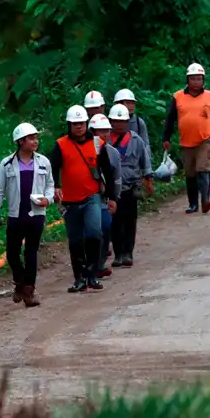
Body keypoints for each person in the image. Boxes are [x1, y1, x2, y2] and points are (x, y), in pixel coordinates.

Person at [48, 105, 118, 293]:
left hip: (91, 197)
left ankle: (93, 275)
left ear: (86, 123)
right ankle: (79, 278)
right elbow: (53, 167)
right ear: (69, 125)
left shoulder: (97, 144)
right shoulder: (61, 145)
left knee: (94, 233)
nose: (78, 126)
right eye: (74, 124)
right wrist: (56, 186)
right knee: (75, 240)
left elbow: (107, 171)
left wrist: (112, 197)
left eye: (81, 123)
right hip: (70, 201)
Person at [0, 123, 55, 308]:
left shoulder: (43, 162)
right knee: (12, 253)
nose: (35, 141)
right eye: (31, 138)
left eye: (36, 138)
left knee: (31, 252)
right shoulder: (7, 164)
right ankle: (20, 282)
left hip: (36, 214)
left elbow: (50, 184)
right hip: (16, 215)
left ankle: (29, 291)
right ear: (20, 141)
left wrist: (48, 199)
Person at [162, 63, 210, 213]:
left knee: (203, 169)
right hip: (186, 142)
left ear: (203, 80)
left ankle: (205, 201)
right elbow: (170, 119)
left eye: (199, 79)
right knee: (190, 174)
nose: (196, 82)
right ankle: (193, 204)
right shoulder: (178, 97)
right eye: (193, 79)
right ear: (187, 80)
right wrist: (166, 138)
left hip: (204, 140)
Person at [106, 104, 153, 268]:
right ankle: (118, 253)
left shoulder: (135, 140)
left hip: (131, 187)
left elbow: (144, 160)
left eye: (123, 121)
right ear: (110, 122)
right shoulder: (105, 141)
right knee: (115, 222)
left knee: (130, 221)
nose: (119, 124)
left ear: (128, 122)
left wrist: (148, 179)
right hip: (112, 189)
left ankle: (128, 253)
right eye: (116, 121)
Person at [87, 113, 121, 278]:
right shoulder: (85, 151)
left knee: (106, 227)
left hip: (104, 198)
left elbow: (116, 177)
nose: (105, 134)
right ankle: (90, 265)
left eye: (107, 131)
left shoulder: (113, 153)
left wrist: (114, 197)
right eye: (101, 131)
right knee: (91, 231)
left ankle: (99, 264)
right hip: (88, 196)